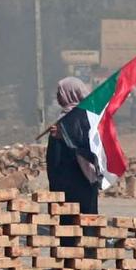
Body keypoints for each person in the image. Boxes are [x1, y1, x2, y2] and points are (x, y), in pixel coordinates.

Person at [47, 77, 99, 220]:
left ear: (71, 93)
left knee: (83, 221)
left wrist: (63, 134)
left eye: (60, 92)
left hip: (80, 177)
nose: (58, 96)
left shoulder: (84, 116)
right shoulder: (65, 117)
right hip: (66, 180)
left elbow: (87, 144)